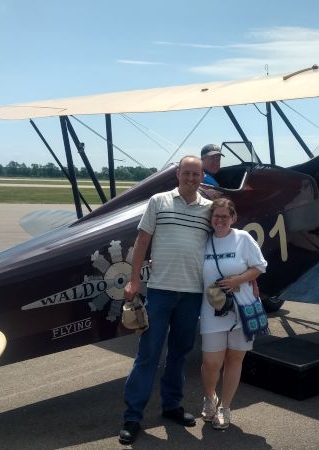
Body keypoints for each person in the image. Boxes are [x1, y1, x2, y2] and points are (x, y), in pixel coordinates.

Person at [118, 155, 213, 445]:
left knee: (179, 354)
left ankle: (171, 406)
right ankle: (133, 417)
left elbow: (221, 242)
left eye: (197, 174)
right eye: (186, 173)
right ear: (178, 175)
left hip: (192, 293)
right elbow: (142, 242)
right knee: (147, 354)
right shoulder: (158, 201)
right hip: (160, 290)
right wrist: (135, 280)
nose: (191, 178)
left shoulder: (209, 208)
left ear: (202, 177)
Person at [199, 198, 267, 430]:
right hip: (212, 309)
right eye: (216, 216)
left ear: (233, 218)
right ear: (211, 218)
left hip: (241, 308)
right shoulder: (204, 242)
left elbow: (259, 266)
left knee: (234, 359)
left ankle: (225, 407)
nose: (219, 221)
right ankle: (210, 397)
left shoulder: (243, 239)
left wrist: (238, 280)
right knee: (211, 362)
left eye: (224, 217)